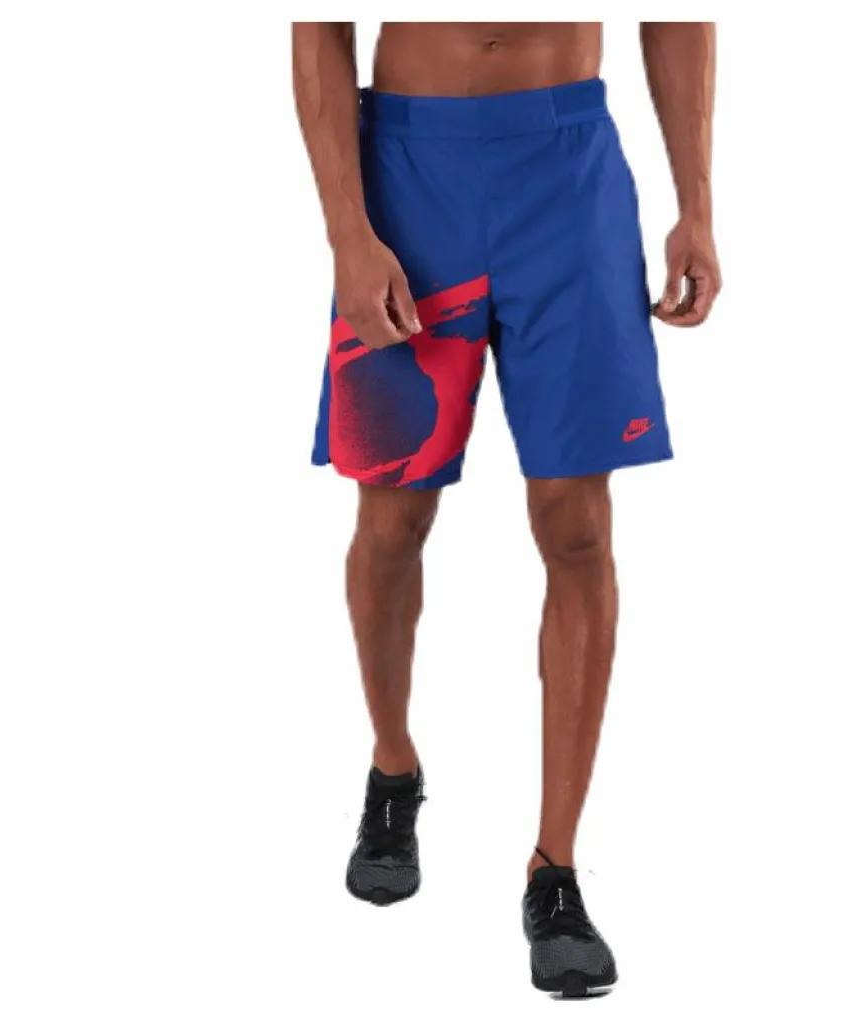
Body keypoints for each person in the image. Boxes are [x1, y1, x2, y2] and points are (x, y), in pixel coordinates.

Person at [292, 21, 720, 996]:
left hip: (567, 174)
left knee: (577, 526)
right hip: (409, 174)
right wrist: (347, 232)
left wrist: (696, 202)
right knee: (392, 520)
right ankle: (393, 768)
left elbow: (678, 14)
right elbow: (317, 25)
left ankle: (554, 868)